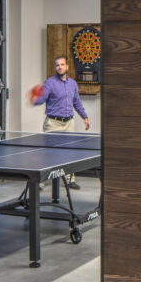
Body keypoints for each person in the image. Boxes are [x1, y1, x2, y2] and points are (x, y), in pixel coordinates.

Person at [30, 55, 90, 190]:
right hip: (53, 123)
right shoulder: (49, 83)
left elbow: (77, 102)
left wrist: (85, 117)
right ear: (55, 67)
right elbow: (42, 99)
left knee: (69, 152)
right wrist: (35, 100)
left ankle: (70, 180)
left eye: (62, 64)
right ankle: (40, 182)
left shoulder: (73, 84)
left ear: (67, 67)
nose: (60, 67)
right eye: (57, 65)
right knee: (49, 153)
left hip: (69, 123)